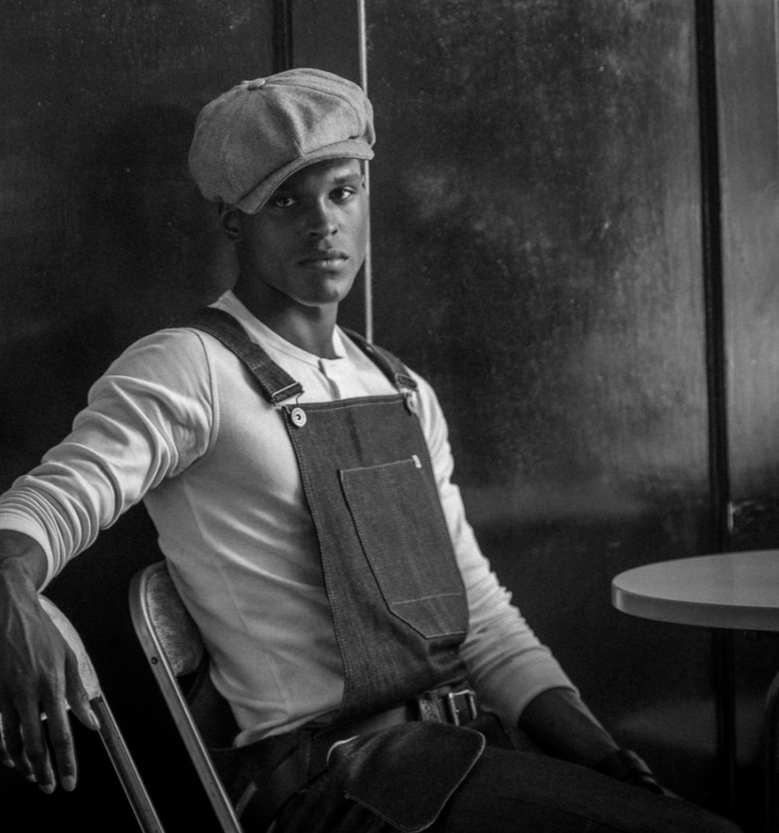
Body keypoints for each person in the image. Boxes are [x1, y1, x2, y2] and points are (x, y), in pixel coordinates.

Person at [0, 68, 740, 832]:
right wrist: (11, 596)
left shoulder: (400, 387)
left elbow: (484, 623)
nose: (322, 223)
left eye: (341, 192)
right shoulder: (190, 366)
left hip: (463, 757)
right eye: (286, 201)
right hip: (337, 787)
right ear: (232, 220)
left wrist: (613, 765)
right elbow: (46, 507)